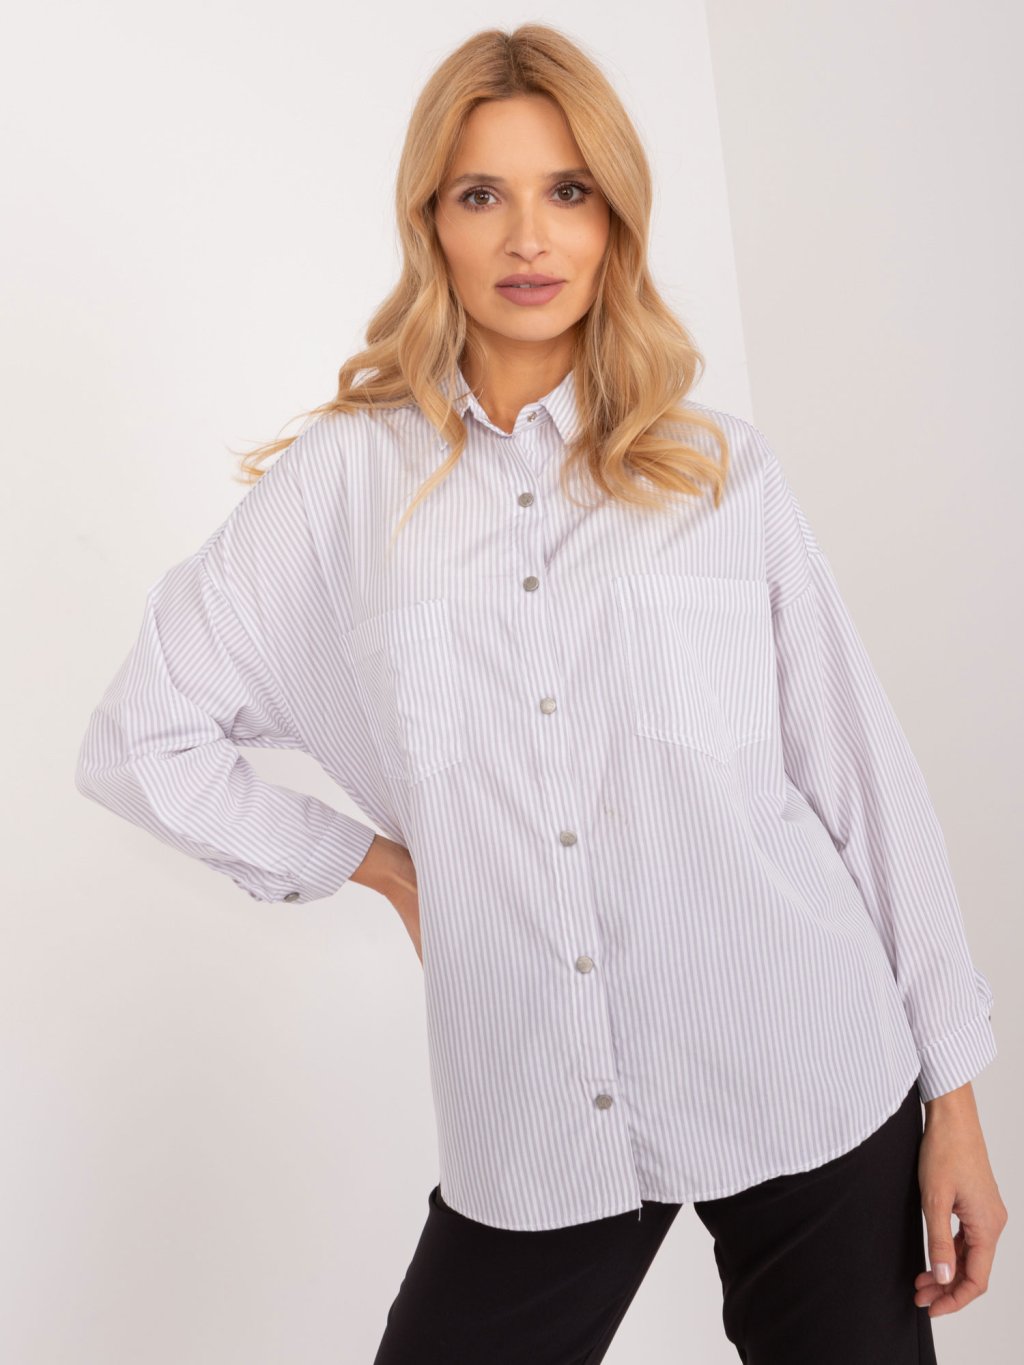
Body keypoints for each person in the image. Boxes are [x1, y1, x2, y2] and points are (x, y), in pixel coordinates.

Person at [74, 23, 1006, 1365]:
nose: (529, 237)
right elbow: (140, 738)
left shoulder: (720, 473)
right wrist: (376, 864)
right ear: (430, 223)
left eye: (567, 190)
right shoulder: (344, 485)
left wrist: (954, 1099)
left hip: (804, 1063)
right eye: (482, 195)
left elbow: (859, 775)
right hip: (538, 1110)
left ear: (614, 218)